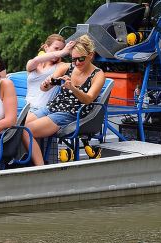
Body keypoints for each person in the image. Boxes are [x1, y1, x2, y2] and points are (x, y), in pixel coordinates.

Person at [22, 35, 106, 166]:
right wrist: (46, 84)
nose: (77, 63)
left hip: (70, 113)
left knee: (26, 130)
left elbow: (88, 99)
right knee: (17, 126)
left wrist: (72, 87)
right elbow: (44, 88)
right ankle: (23, 161)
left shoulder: (98, 74)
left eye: (81, 59)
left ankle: (40, 168)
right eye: (74, 59)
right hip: (52, 107)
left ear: (90, 55)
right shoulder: (66, 67)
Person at [26, 34, 75, 112]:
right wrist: (62, 52)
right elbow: (36, 60)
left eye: (61, 49)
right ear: (46, 47)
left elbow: (78, 65)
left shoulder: (61, 66)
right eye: (56, 48)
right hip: (27, 108)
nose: (59, 52)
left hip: (42, 110)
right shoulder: (33, 64)